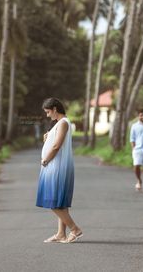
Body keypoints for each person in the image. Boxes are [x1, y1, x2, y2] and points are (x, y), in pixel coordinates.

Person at [36, 97, 83, 243]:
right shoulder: (59, 124)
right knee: (60, 203)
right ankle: (61, 234)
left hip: (57, 168)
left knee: (52, 201)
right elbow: (54, 142)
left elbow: (57, 146)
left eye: (48, 112)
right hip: (54, 166)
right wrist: (48, 137)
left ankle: (75, 229)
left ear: (55, 109)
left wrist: (45, 160)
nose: (47, 115)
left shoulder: (63, 123)